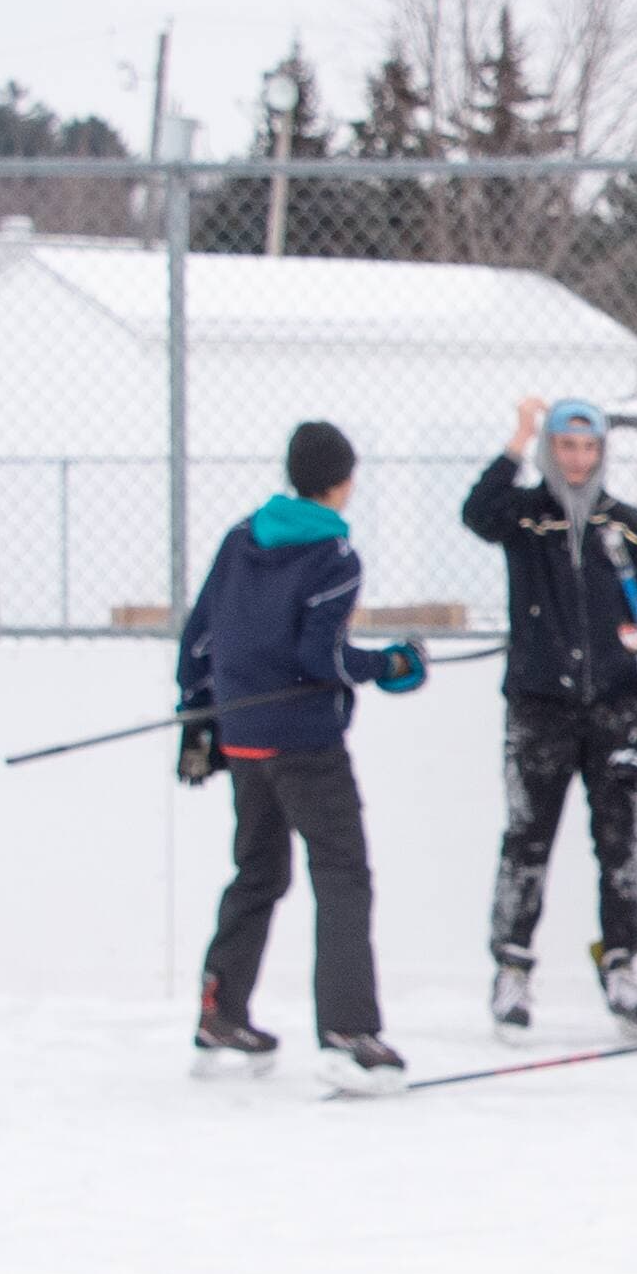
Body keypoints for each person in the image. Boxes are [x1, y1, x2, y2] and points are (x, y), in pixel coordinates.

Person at [176, 419, 428, 1094]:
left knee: (257, 873)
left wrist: (196, 719)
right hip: (306, 746)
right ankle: (348, 1031)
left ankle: (220, 1013)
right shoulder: (334, 556)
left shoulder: (241, 537)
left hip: (242, 739)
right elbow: (324, 658)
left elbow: (199, 637)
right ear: (344, 481)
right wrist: (392, 663)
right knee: (342, 875)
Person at [463, 396, 637, 1043]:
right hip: (540, 707)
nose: (578, 459)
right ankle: (512, 968)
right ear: (550, 450)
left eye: (589, 448)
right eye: (566, 446)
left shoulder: (626, 526)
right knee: (527, 839)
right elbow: (477, 513)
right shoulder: (525, 518)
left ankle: (620, 965)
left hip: (618, 707)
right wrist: (516, 440)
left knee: (619, 841)